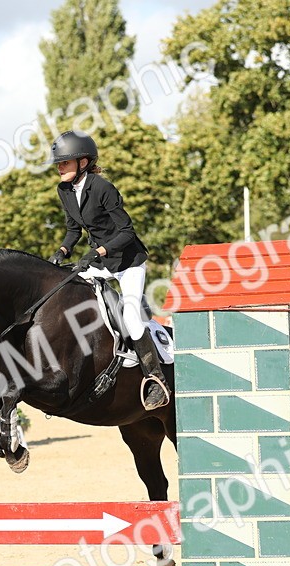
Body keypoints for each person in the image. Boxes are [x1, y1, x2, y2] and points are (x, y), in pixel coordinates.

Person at [46, 130, 170, 411]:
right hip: (100, 263)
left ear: (83, 162)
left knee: (131, 318)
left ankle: (156, 379)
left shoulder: (103, 188)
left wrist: (97, 252)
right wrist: (62, 251)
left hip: (128, 262)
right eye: (58, 163)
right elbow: (73, 230)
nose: (59, 168)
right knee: (68, 292)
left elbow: (127, 232)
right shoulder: (64, 190)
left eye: (64, 162)